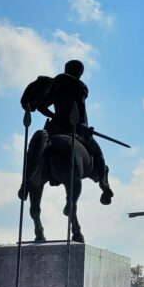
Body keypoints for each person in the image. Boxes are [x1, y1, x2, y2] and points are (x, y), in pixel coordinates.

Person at [21, 59, 114, 204]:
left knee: (38, 148)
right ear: (80, 72)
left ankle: (27, 181)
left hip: (53, 129)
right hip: (73, 128)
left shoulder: (56, 83)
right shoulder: (79, 85)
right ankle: (104, 185)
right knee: (98, 154)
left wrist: (55, 116)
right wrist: (83, 126)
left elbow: (41, 106)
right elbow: (80, 108)